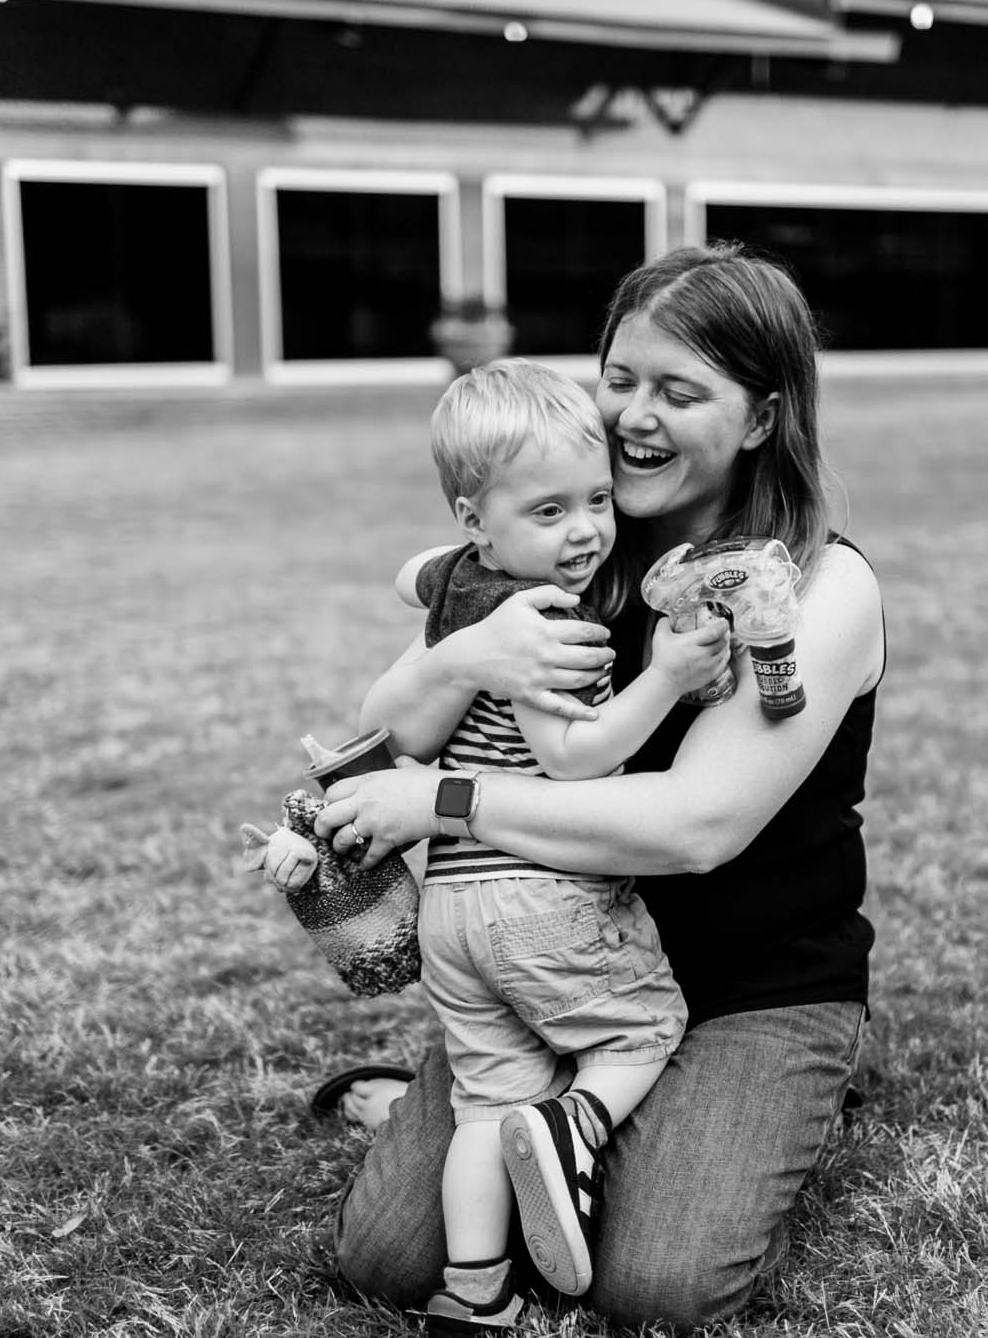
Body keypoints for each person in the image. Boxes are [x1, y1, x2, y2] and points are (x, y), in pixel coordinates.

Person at [310, 242, 887, 1332]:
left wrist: (444, 804)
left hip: (748, 985)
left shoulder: (817, 584)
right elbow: (383, 733)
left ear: (762, 417)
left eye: (679, 391)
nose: (632, 416)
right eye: (618, 378)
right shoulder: (569, 542)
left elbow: (693, 828)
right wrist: (453, 662)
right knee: (385, 1259)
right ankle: (580, 1120)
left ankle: (773, 1096)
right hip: (555, 956)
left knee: (652, 1285)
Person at [262, 359, 732, 1334]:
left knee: (486, 1105)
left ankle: (474, 1290)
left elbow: (406, 575)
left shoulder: (460, 580)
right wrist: (667, 675)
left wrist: (475, 543)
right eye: (552, 512)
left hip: (455, 916)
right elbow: (572, 757)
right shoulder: (551, 620)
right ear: (483, 518)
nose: (587, 531)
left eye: (596, 500)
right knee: (639, 1030)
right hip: (545, 894)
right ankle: (573, 1126)